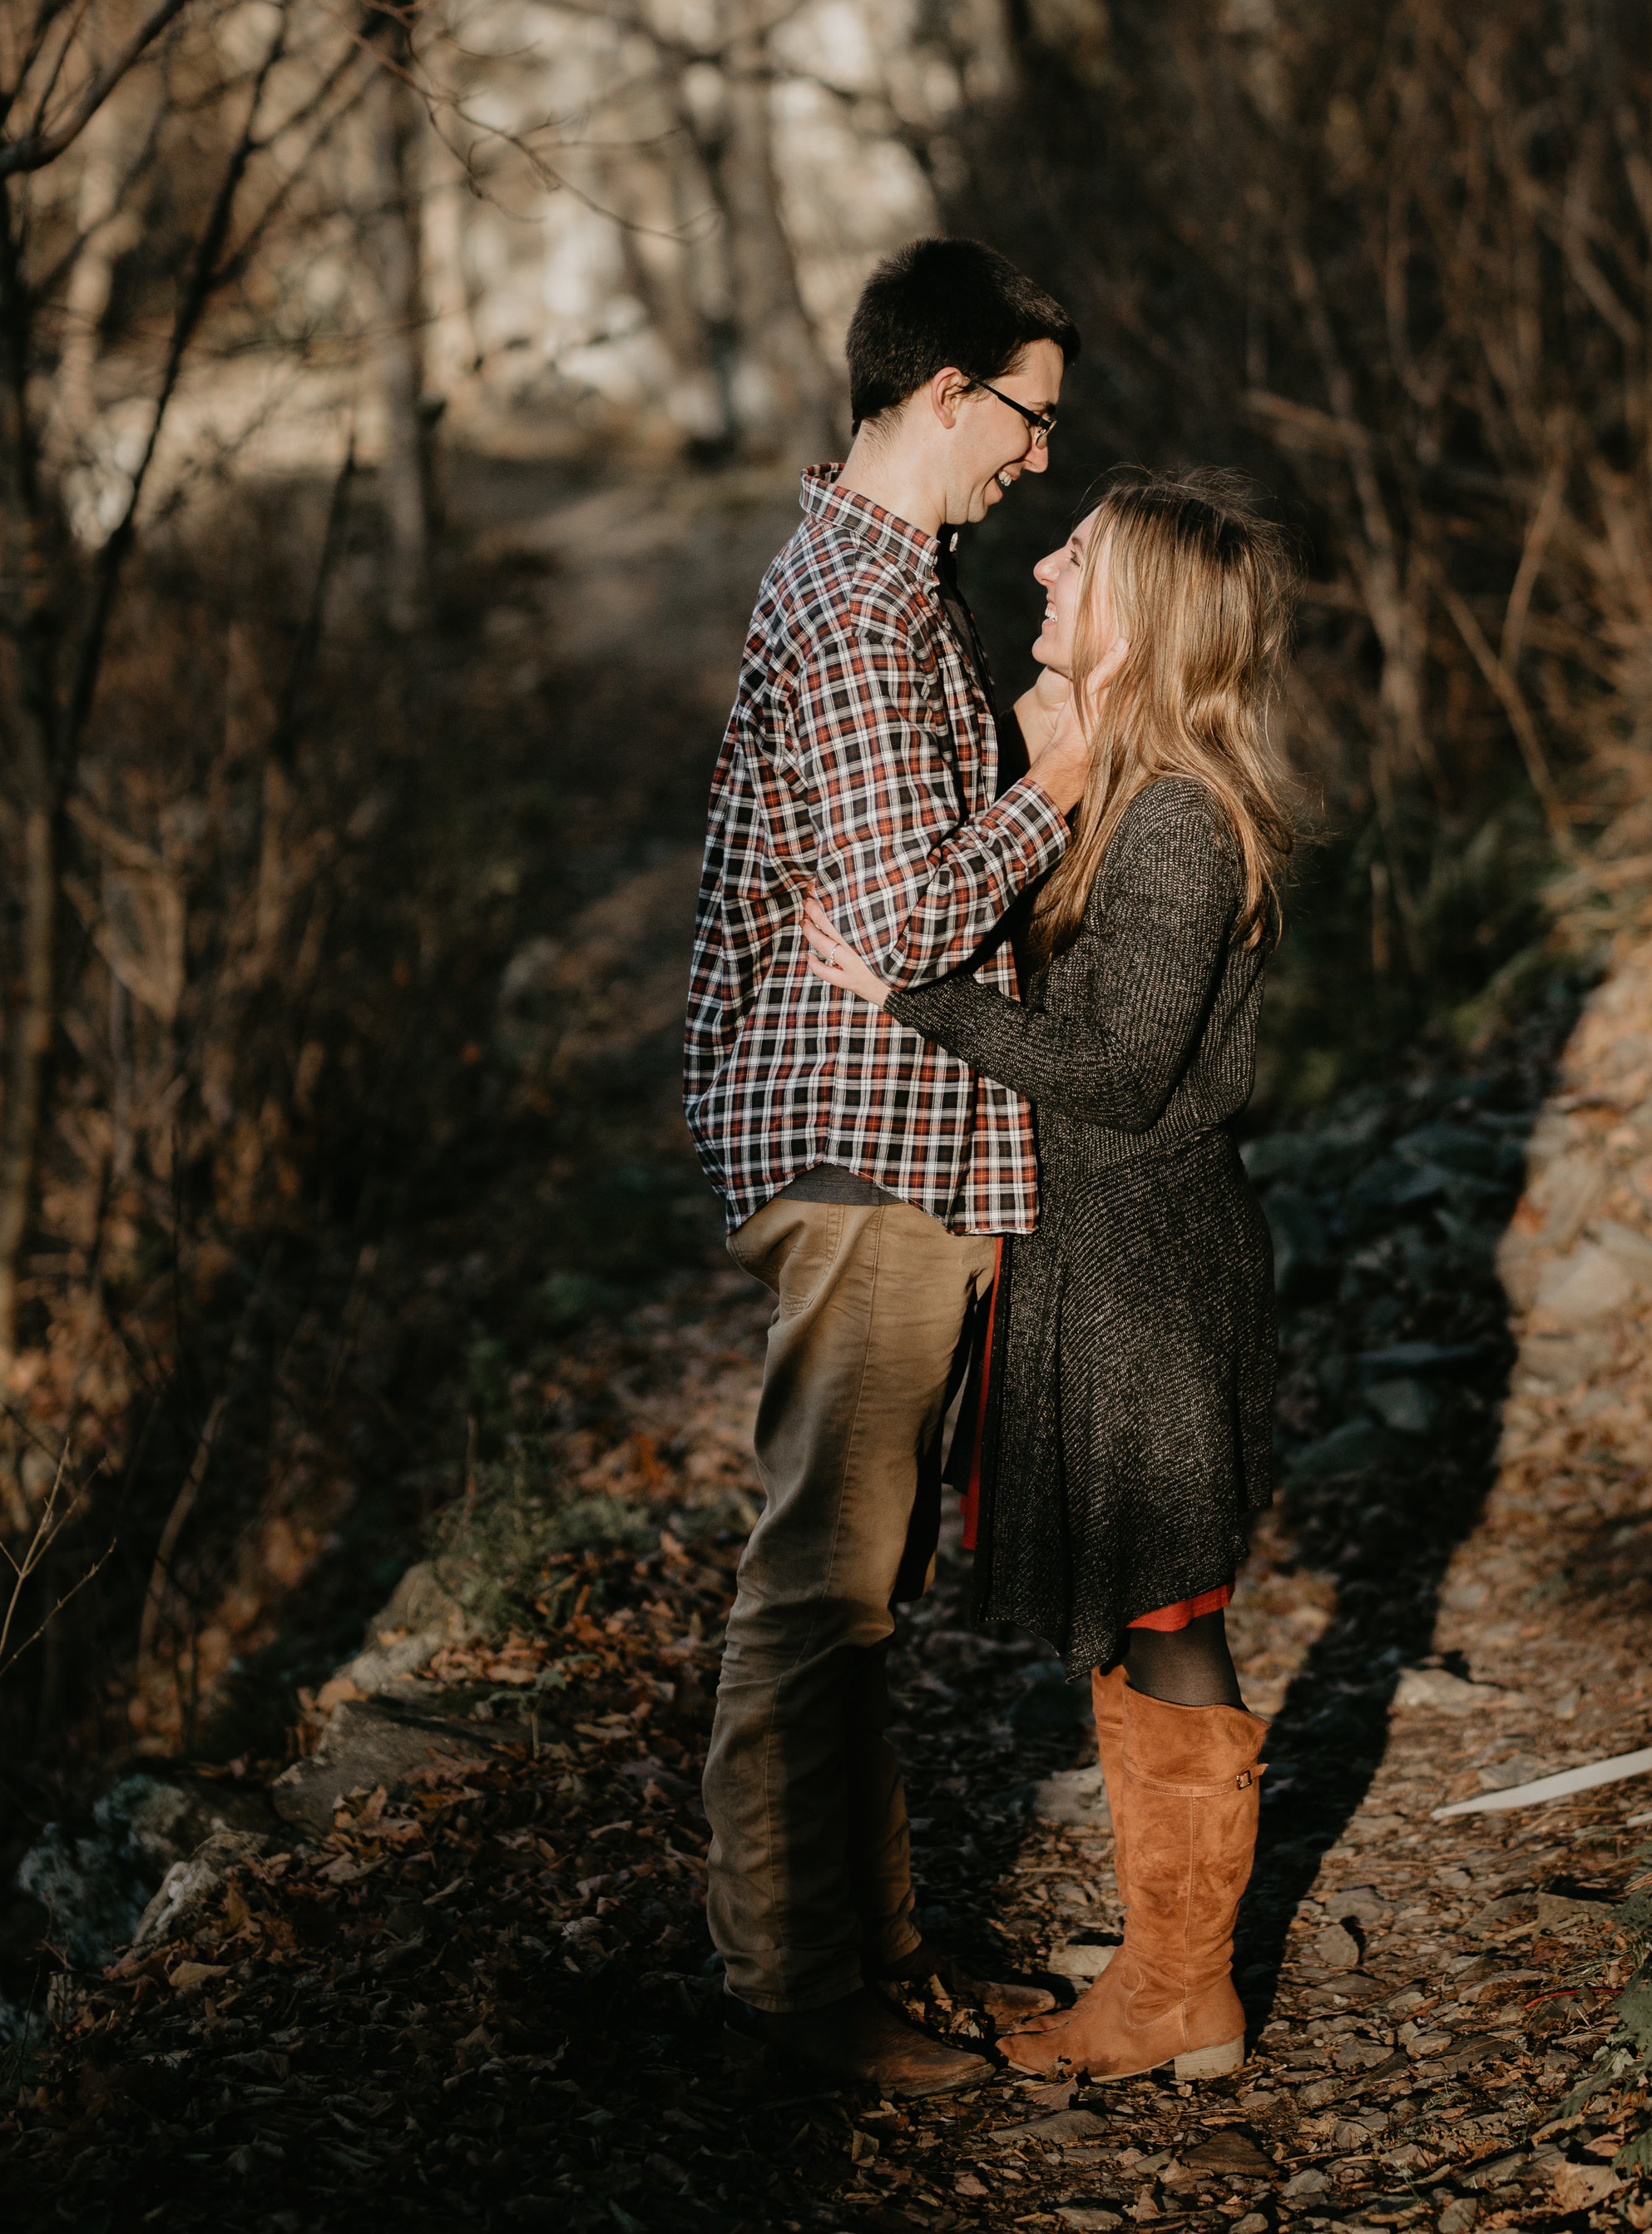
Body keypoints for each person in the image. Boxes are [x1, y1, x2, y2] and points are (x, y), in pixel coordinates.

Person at [803, 471, 1296, 2085]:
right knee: (1142, 1610)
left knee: (1164, 1609)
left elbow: (1115, 1074)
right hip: (1111, 1264)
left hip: (1149, 1277)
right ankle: (1173, 1971)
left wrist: (911, 988)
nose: (1040, 563)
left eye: (1075, 556)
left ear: (1138, 613)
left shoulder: (1173, 822)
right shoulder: (1132, 797)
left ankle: (1178, 1993)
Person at [685, 235, 1094, 2097]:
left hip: (901, 1140)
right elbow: (910, 913)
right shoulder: (855, 607)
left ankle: (870, 1955)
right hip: (862, 1145)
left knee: (859, 1596)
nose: (1038, 458)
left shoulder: (889, 588)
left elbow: (904, 910)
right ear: (947, 391)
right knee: (816, 1586)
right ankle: (792, 2003)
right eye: (1027, 416)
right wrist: (1053, 780)